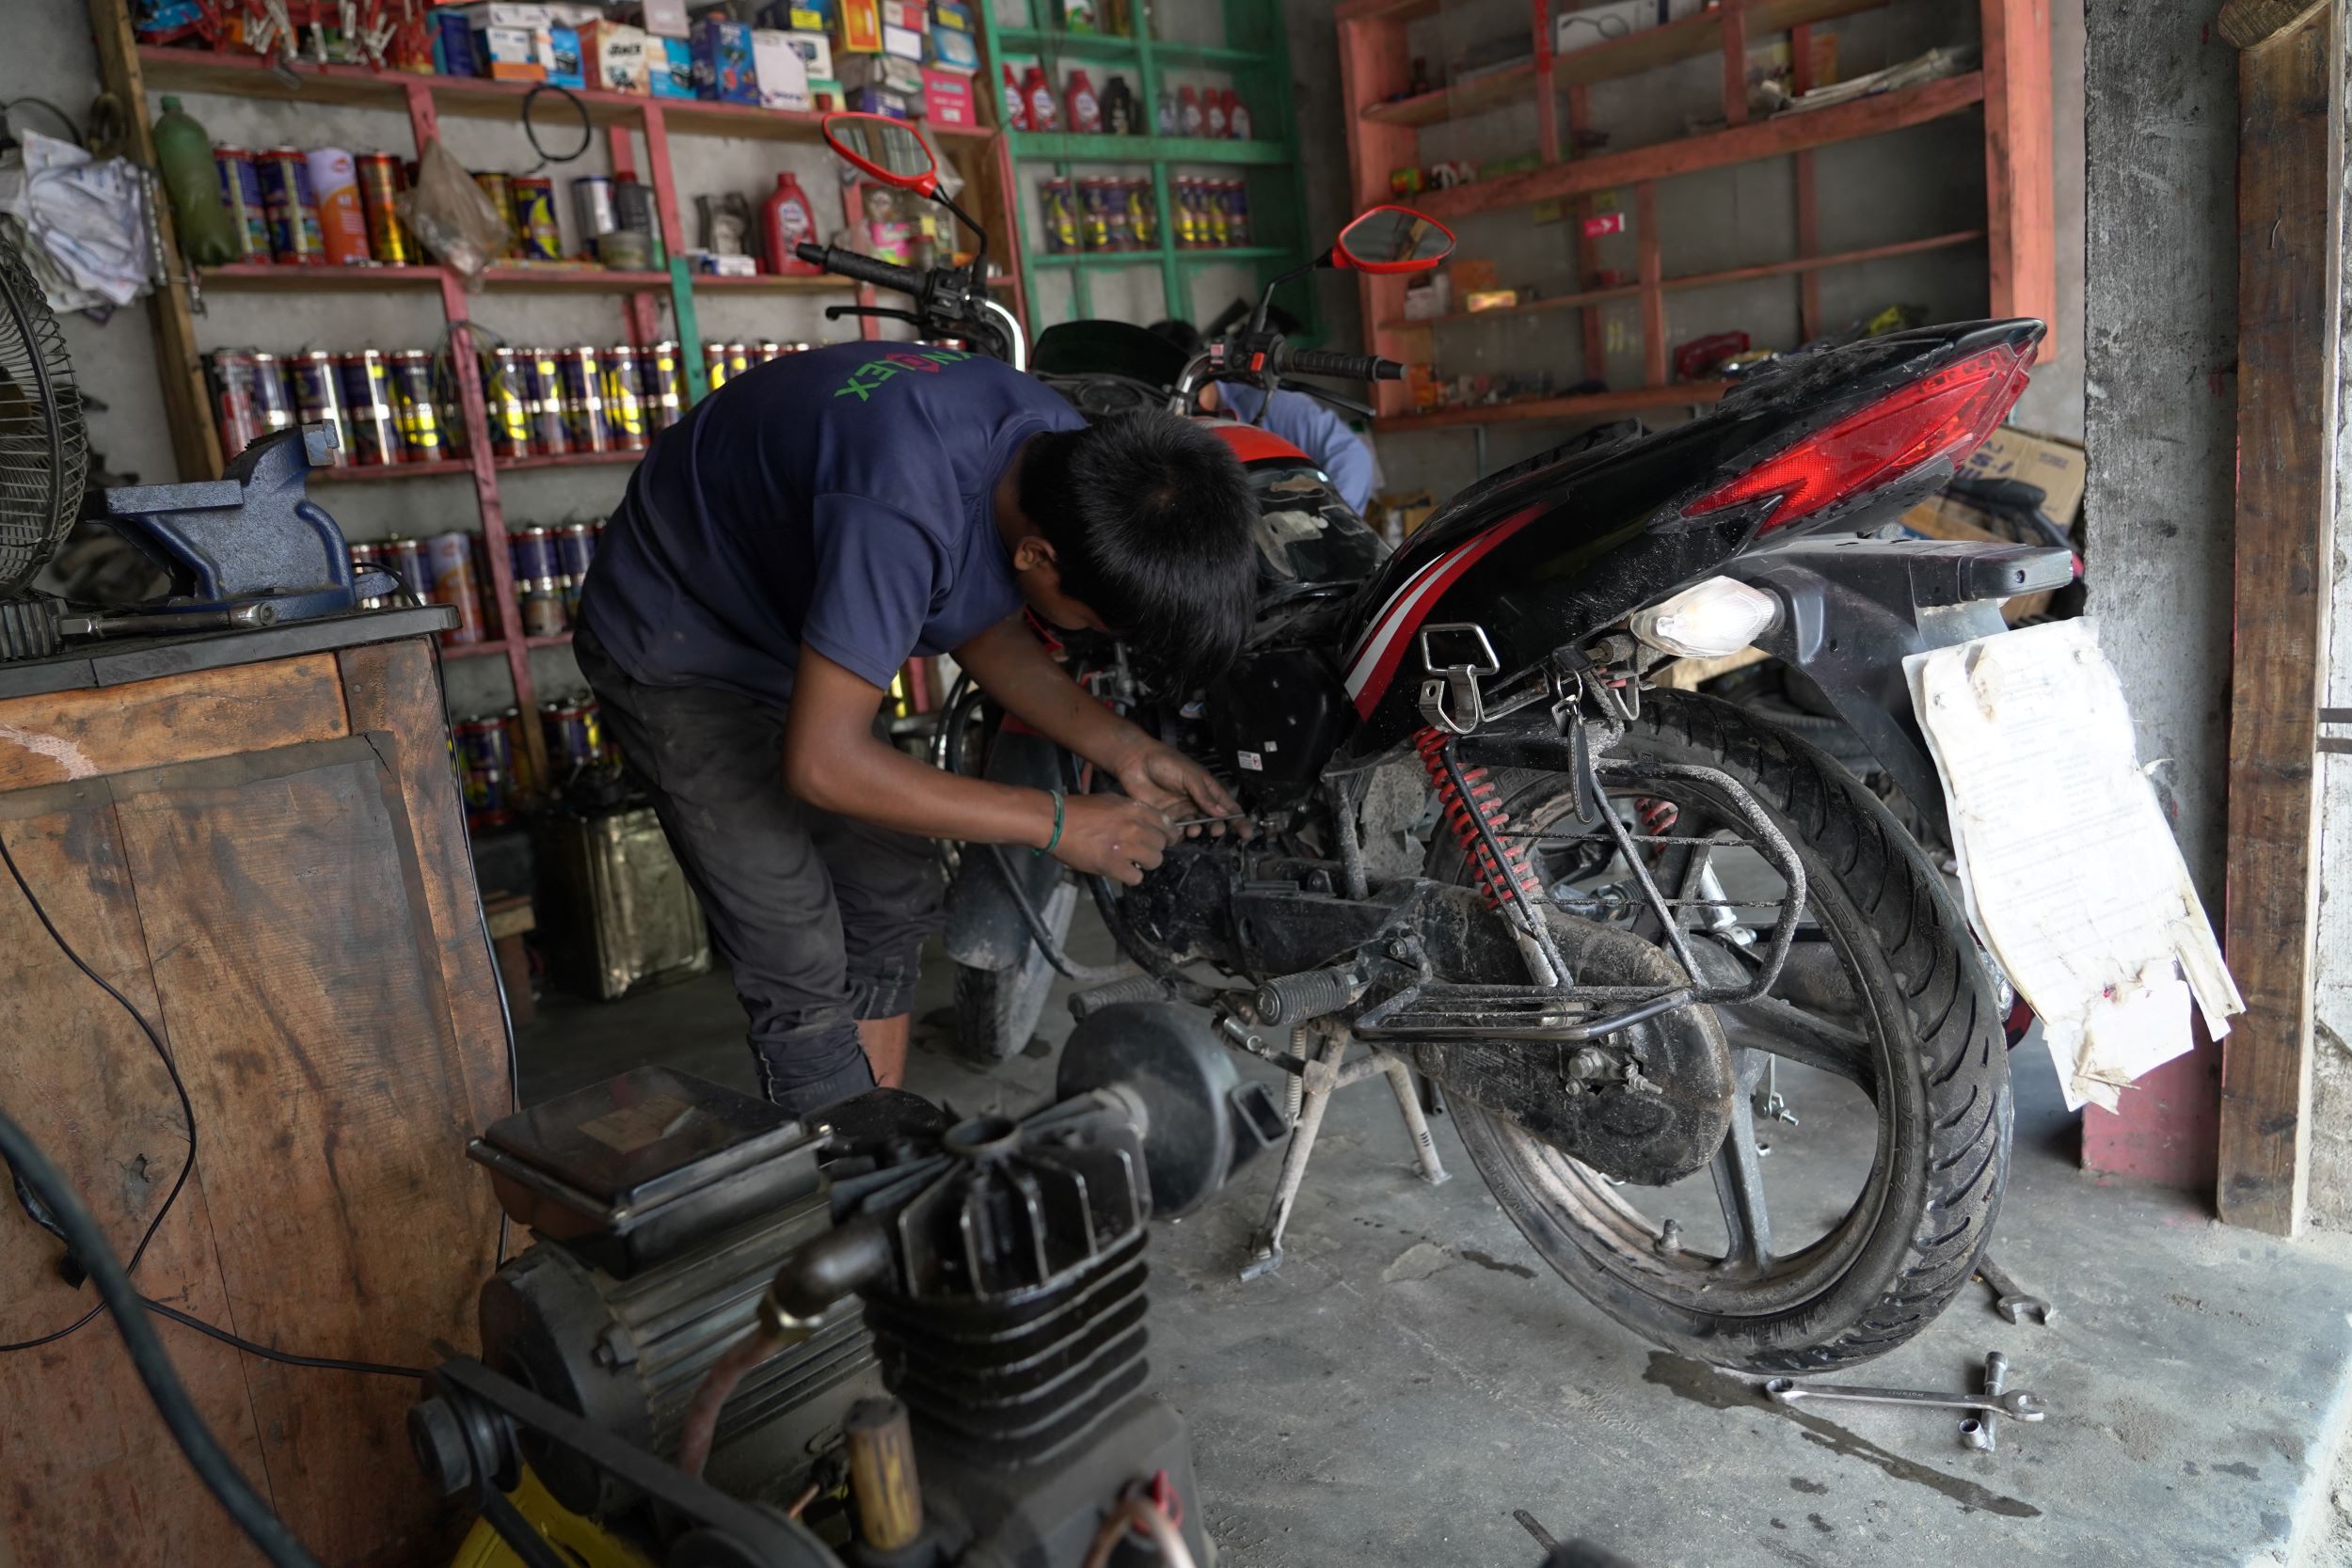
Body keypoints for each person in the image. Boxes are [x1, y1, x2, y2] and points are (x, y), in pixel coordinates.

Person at [576, 340, 1257, 1116]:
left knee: (889, 884)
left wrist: (1127, 749)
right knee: (792, 944)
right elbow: (825, 765)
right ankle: (854, 1201)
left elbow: (984, 619)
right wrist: (1059, 821)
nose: (1087, 633)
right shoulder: (902, 503)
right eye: (1093, 620)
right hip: (678, 640)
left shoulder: (1062, 453)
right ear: (1039, 553)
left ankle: (878, 1136)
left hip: (792, 620)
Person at [1148, 318, 1378, 512]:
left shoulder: (1265, 401)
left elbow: (1351, 457)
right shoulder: (1162, 432)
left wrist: (1329, 527)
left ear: (1202, 368)